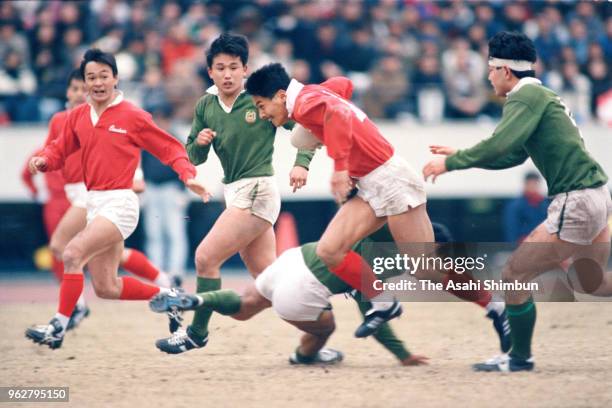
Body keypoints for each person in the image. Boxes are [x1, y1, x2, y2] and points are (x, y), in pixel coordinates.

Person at [423, 32, 611, 372]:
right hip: (597, 195)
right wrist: (462, 156)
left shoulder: (524, 97)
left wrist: (451, 162)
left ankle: (519, 358)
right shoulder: (540, 94)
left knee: (513, 274)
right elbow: (510, 156)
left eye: (491, 68)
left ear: (506, 70)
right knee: (591, 282)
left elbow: (499, 146)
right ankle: (519, 356)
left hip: (577, 199)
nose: (488, 75)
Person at [25, 48, 209, 349]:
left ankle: (58, 325)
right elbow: (59, 150)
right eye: (90, 77)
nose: (97, 83)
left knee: (70, 253)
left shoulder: (132, 115)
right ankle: (169, 295)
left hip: (121, 204)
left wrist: (188, 176)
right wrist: (44, 160)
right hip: (94, 203)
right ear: (85, 82)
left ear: (116, 78)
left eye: (103, 76)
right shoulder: (78, 117)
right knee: (107, 287)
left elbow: (169, 148)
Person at [245, 63, 434, 337]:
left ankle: (495, 307)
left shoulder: (306, 103)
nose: (262, 114)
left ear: (281, 96)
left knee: (424, 268)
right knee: (329, 251)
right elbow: (345, 83)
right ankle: (383, 303)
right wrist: (327, 97)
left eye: (262, 105)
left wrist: (341, 168)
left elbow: (337, 113)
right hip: (372, 183)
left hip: (392, 181)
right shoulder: (310, 97)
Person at [155, 34, 314, 353]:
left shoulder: (259, 98)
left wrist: (302, 164)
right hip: (235, 191)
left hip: (259, 190)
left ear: (245, 69)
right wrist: (198, 143)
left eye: (233, 67)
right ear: (209, 71)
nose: (227, 74)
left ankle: (196, 333)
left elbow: (306, 125)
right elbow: (193, 158)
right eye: (220, 68)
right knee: (270, 284)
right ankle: (320, 324)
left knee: (204, 257)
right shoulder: (205, 105)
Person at [150, 223, 429, 366]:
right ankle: (304, 357)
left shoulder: (366, 229)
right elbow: (375, 319)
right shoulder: (383, 262)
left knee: (245, 306)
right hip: (301, 289)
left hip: (292, 258)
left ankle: (196, 299)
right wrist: (403, 355)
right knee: (326, 327)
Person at [503, 172, 549, 243]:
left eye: (535, 184)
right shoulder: (515, 206)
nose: (533, 187)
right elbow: (511, 228)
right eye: (530, 184)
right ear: (525, 184)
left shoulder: (545, 204)